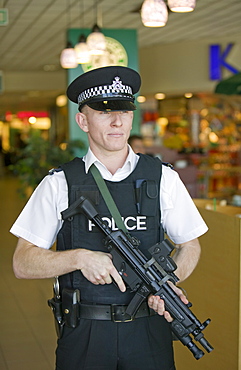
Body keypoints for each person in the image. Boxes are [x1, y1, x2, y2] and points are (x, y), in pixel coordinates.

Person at [11, 66, 208, 370]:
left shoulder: (163, 177)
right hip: (86, 332)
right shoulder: (60, 182)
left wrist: (167, 284)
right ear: (83, 120)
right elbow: (22, 263)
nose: (117, 121)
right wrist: (79, 258)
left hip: (148, 329)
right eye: (105, 112)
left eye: (125, 111)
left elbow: (190, 245)